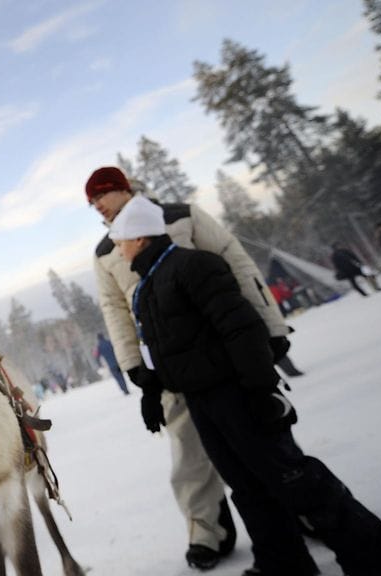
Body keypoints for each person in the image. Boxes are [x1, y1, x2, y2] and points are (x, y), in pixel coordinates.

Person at [109, 194, 381, 576]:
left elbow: (242, 329)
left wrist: (260, 390)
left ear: (139, 238)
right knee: (247, 487)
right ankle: (284, 564)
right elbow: (162, 348)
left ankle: (379, 561)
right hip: (202, 403)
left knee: (294, 479)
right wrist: (152, 392)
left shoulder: (195, 266)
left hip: (234, 394)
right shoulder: (147, 288)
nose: (117, 249)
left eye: (120, 240)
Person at [89, 166, 251, 570]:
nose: (96, 208)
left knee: (254, 435)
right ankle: (207, 531)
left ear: (122, 189)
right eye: (90, 204)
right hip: (165, 363)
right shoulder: (107, 250)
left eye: (100, 198)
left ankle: (299, 508)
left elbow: (233, 259)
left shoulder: (180, 215)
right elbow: (114, 309)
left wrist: (268, 328)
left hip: (221, 353)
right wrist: (134, 368)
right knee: (187, 451)